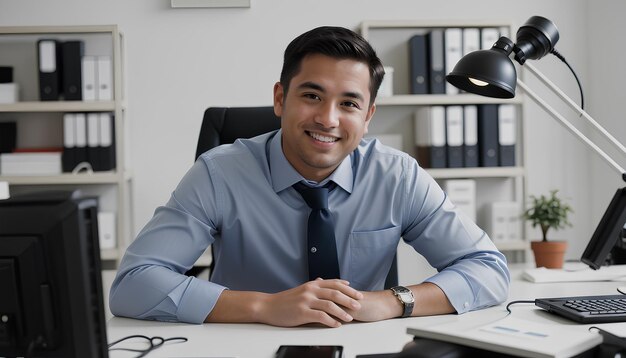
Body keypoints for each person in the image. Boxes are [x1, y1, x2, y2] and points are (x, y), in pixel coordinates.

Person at [110, 26, 510, 328]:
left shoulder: (398, 175)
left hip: (361, 346)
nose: (328, 119)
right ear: (281, 99)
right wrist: (265, 307)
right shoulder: (219, 173)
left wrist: (390, 301)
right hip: (243, 344)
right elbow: (132, 285)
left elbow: (488, 269)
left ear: (367, 117)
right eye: (312, 96)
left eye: (349, 103)